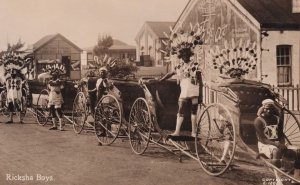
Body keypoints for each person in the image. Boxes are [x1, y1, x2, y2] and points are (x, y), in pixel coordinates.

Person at [160, 47, 202, 137]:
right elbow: (171, 73)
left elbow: (200, 80)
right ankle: (177, 131)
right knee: (181, 109)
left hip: (194, 89)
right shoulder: (180, 66)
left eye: (186, 55)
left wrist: (201, 95)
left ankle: (194, 132)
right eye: (183, 56)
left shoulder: (195, 65)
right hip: (184, 89)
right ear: (181, 57)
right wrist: (161, 79)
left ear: (189, 56)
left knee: (194, 111)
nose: (185, 57)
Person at [254, 99, 300, 179]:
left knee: (298, 152)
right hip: (264, 145)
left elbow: (281, 134)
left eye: (271, 108)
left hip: (277, 143)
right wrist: (277, 144)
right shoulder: (258, 121)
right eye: (266, 108)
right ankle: (278, 179)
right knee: (277, 151)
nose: (268, 111)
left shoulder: (278, 119)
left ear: (274, 109)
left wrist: (282, 143)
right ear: (263, 108)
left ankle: (296, 178)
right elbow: (262, 139)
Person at [47, 66, 65, 131]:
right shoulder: (51, 81)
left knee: (58, 110)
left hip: (57, 96)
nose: (53, 76)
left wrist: (58, 88)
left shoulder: (59, 81)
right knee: (52, 110)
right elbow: (49, 87)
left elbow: (62, 87)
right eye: (53, 74)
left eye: (55, 74)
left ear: (57, 75)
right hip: (52, 96)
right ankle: (54, 125)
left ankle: (61, 126)